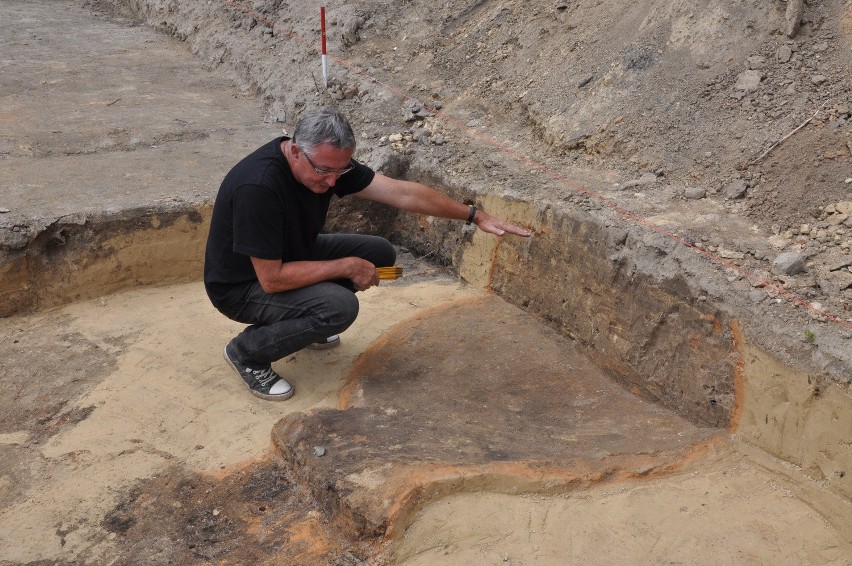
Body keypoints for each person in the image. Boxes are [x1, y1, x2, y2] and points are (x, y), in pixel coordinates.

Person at [204, 108, 531, 400]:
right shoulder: (259, 188)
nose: (332, 182)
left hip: (291, 253)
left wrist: (475, 216)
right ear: (294, 151)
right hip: (243, 286)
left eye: (340, 172)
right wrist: (346, 266)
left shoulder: (328, 165)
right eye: (323, 171)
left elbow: (401, 193)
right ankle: (247, 353)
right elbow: (272, 279)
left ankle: (304, 323)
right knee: (339, 307)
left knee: (378, 253)